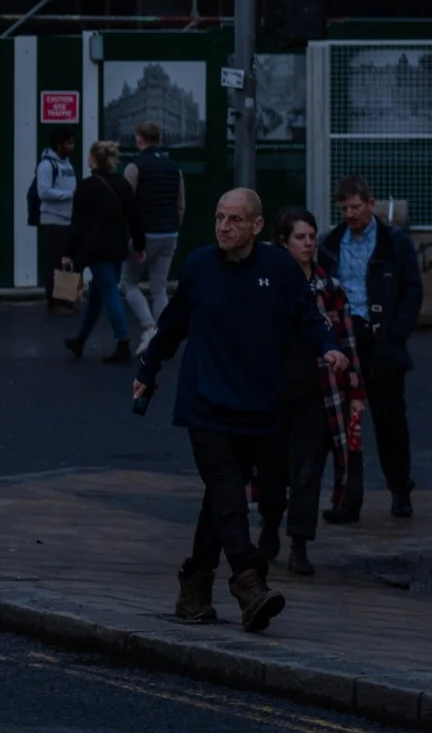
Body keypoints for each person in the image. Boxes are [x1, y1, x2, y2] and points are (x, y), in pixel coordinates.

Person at [136, 189, 348, 631]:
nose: (223, 227)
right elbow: (173, 323)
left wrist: (329, 348)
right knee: (228, 490)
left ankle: (194, 585)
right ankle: (249, 584)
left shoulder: (278, 268)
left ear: (256, 226)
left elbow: (309, 317)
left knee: (221, 497)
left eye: (234, 220)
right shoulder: (199, 265)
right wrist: (149, 369)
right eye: (218, 218)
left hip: (255, 407)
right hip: (205, 405)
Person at [262, 208, 366, 576]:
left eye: (311, 237)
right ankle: (270, 527)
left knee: (308, 471)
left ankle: (299, 542)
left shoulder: (331, 289)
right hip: (273, 394)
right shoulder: (268, 287)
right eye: (300, 238)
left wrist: (355, 393)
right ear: (282, 242)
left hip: (319, 395)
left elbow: (347, 344)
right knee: (272, 472)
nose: (308, 244)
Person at [319, 177, 421, 518]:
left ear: (371, 204)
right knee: (347, 422)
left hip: (382, 342)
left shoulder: (395, 244)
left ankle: (400, 490)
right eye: (344, 208)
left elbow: (411, 290)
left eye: (356, 207)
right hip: (346, 341)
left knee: (391, 422)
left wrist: (396, 334)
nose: (350, 214)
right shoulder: (331, 243)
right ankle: (349, 499)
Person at [62, 140, 144, 362]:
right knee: (97, 296)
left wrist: (68, 251)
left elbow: (77, 223)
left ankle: (123, 342)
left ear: (94, 159)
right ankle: (80, 340)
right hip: (117, 248)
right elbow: (134, 217)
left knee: (109, 293)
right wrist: (139, 245)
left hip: (95, 249)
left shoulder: (87, 186)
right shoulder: (121, 184)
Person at [121, 119, 185, 345]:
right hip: (169, 233)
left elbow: (125, 204)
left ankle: (149, 327)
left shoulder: (134, 167)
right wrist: (174, 225)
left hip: (144, 234)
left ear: (139, 139)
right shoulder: (173, 167)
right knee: (159, 286)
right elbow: (180, 205)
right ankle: (167, 332)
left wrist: (129, 236)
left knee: (128, 282)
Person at [33, 131, 78, 308]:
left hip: (67, 218)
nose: (72, 147)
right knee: (55, 262)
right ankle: (54, 302)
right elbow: (43, 192)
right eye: (69, 143)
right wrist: (69, 195)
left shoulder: (67, 164)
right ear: (59, 145)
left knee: (66, 261)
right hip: (53, 220)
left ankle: (66, 300)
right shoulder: (46, 166)